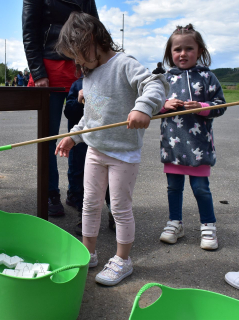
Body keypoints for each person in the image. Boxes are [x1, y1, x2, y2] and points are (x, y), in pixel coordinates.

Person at [55, 12, 168, 286]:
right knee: (89, 204)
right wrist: (74, 136)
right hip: (95, 151)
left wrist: (142, 107)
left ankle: (122, 260)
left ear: (92, 39)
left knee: (119, 207)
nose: (77, 62)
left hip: (123, 154)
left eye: (78, 54)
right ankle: (88, 252)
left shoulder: (124, 63)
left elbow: (156, 84)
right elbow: (92, 116)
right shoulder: (89, 74)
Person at [22, 0, 100, 216]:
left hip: (81, 66)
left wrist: (96, 70)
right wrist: (38, 73)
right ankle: (50, 193)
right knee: (48, 138)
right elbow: (30, 32)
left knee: (82, 136)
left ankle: (77, 192)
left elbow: (95, 28)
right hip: (49, 68)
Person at [158, 24, 226, 250]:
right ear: (170, 53)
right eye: (177, 49)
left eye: (189, 48)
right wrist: (164, 105)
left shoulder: (207, 76)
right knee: (173, 188)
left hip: (199, 147)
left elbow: (220, 105)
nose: (183, 53)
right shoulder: (164, 79)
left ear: (199, 51)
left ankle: (208, 226)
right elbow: (151, 107)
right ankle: (175, 223)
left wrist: (202, 106)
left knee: (201, 188)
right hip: (172, 148)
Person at [64, 76, 113, 235]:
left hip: (103, 142)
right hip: (80, 144)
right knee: (78, 175)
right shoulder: (77, 84)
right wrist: (79, 100)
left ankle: (113, 212)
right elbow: (69, 112)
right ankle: (82, 212)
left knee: (108, 178)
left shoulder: (109, 84)